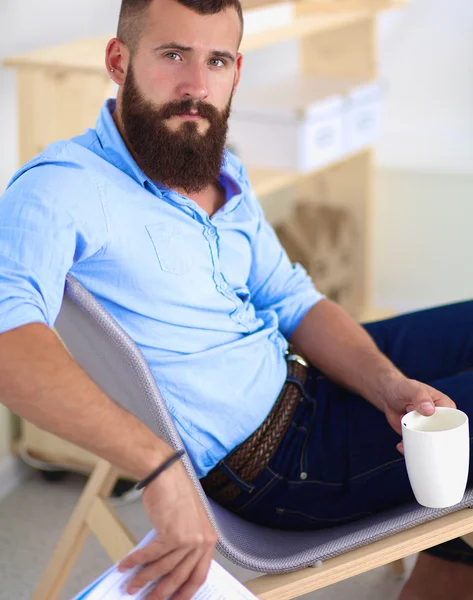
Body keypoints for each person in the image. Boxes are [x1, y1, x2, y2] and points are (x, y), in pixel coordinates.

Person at [0, 0, 472, 599]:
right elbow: (7, 344)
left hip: (300, 375)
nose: (196, 86)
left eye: (216, 60)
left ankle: (448, 566)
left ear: (237, 72)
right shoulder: (58, 188)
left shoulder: (218, 164)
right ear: (118, 61)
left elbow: (290, 298)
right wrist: (159, 466)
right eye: (173, 55)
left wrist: (384, 384)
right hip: (278, 461)